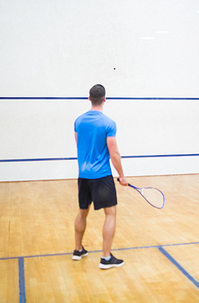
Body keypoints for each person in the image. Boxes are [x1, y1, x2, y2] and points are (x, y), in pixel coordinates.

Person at [72, 84, 128, 269]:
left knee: (82, 212)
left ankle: (78, 250)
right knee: (110, 214)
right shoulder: (108, 123)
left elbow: (79, 145)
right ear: (105, 99)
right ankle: (105, 258)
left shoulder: (78, 122)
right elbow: (114, 153)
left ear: (89, 98)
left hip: (83, 175)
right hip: (102, 176)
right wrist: (122, 176)